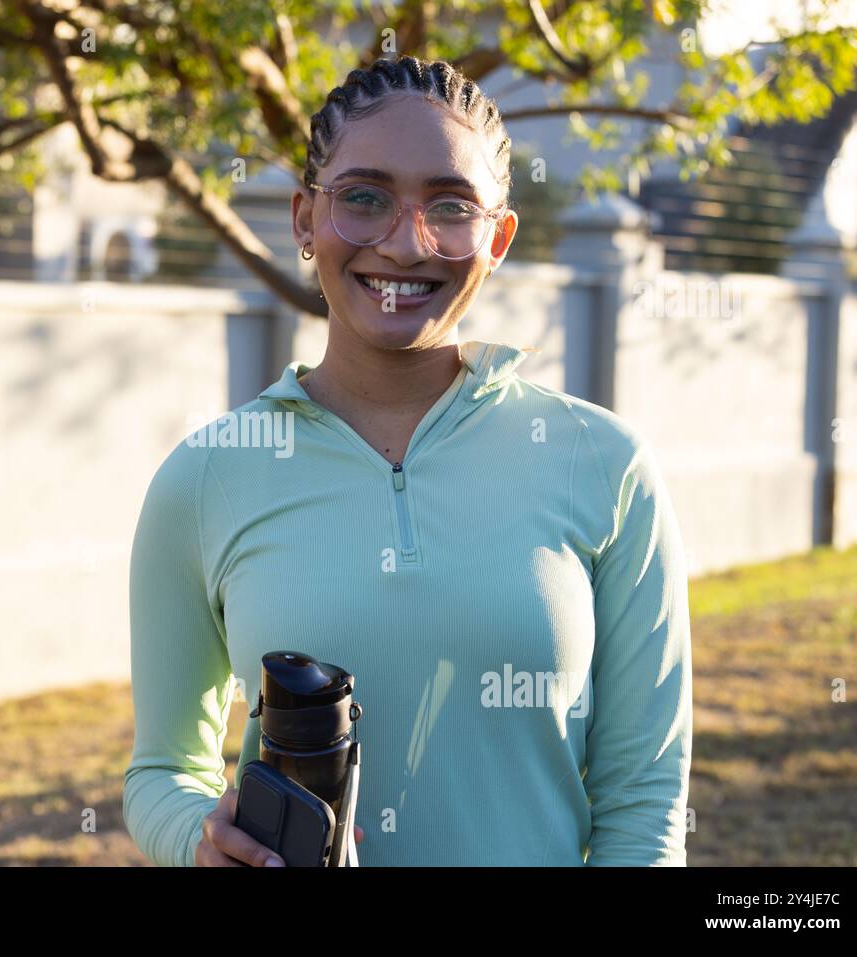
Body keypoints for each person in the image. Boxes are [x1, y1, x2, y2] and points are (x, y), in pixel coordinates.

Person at [123, 55, 692, 866]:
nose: (404, 242)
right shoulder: (206, 477)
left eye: (450, 206)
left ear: (496, 238)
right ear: (303, 220)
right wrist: (198, 840)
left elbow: (644, 800)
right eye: (363, 198)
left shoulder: (607, 466)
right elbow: (161, 770)